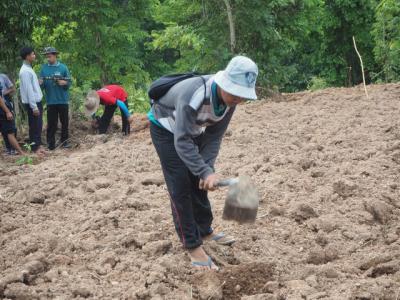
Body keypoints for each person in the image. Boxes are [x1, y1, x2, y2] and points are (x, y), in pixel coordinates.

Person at [148, 56, 258, 270]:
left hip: (191, 129)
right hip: (166, 129)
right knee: (180, 186)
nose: (239, 99)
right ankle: (191, 244)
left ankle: (205, 230)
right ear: (224, 82)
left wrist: (206, 169)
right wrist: (204, 171)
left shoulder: (230, 102)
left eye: (242, 95)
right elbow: (181, 141)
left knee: (199, 180)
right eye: (235, 93)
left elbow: (213, 137)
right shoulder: (195, 95)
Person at [39, 47, 72, 150]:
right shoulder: (44, 69)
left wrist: (64, 82)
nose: (48, 58)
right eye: (47, 57)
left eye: (49, 56)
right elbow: (41, 86)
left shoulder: (63, 67)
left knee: (64, 122)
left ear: (55, 55)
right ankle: (51, 144)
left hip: (63, 100)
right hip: (51, 101)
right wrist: (40, 83)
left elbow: (69, 82)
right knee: (52, 124)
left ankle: (65, 142)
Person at [19, 47, 45, 154]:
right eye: (33, 54)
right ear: (27, 56)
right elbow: (29, 90)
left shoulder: (29, 68)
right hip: (32, 103)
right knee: (35, 126)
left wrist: (37, 82)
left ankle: (37, 146)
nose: (34, 56)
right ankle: (35, 148)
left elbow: (31, 86)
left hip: (35, 102)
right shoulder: (25, 71)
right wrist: (34, 107)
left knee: (38, 125)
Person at [0, 82, 24, 155]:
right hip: (2, 111)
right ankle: (22, 153)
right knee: (10, 132)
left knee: (7, 131)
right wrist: (7, 111)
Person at [0, 73, 18, 154]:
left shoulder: (3, 77)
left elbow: (12, 88)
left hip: (6, 104)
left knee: (11, 128)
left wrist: (3, 93)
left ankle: (13, 149)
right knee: (5, 129)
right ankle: (9, 149)